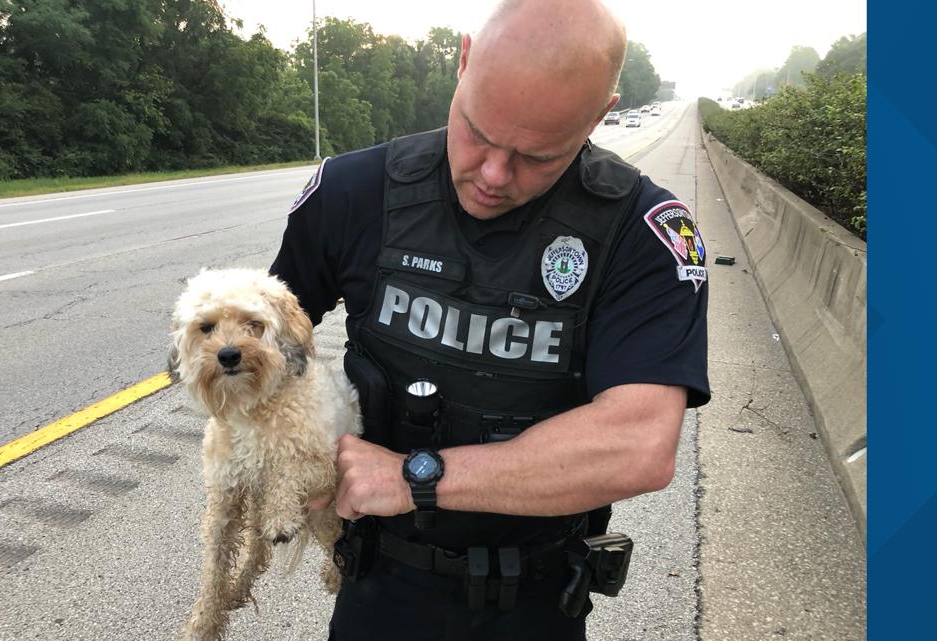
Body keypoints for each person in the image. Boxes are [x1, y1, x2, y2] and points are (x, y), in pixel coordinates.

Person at [269, 0, 710, 638]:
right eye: (478, 132)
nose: (495, 176)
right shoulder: (351, 193)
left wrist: (413, 478)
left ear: (600, 115)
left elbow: (637, 445)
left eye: (540, 156)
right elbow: (261, 354)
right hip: (378, 586)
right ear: (465, 58)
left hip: (534, 598)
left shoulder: (644, 234)